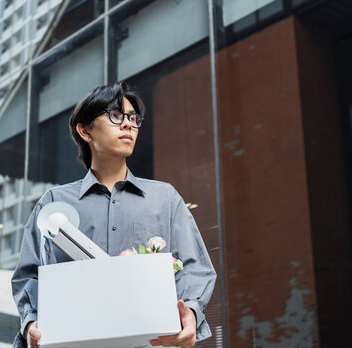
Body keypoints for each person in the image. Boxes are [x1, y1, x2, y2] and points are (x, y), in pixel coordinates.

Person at [11, 82, 216, 348]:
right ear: (85, 130)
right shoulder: (54, 203)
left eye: (133, 118)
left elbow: (196, 268)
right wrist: (31, 323)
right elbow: (29, 275)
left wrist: (189, 312)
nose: (128, 125)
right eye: (116, 116)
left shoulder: (164, 199)